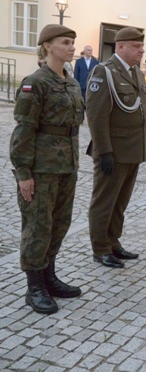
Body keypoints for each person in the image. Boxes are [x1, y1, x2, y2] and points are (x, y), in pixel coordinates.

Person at [10, 24, 84, 314]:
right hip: (41, 168)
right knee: (38, 225)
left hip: (67, 166)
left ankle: (49, 276)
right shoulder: (35, 82)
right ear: (47, 47)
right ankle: (34, 286)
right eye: (65, 42)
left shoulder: (72, 82)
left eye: (72, 42)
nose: (71, 47)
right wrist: (23, 174)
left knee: (59, 222)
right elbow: (23, 131)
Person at [85, 26, 146, 269]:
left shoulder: (136, 73)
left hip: (132, 150)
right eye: (136, 46)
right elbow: (96, 116)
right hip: (112, 151)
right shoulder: (105, 72)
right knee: (104, 202)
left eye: (142, 46)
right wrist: (104, 152)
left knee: (120, 202)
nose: (141, 50)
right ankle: (100, 249)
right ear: (120, 47)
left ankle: (113, 243)